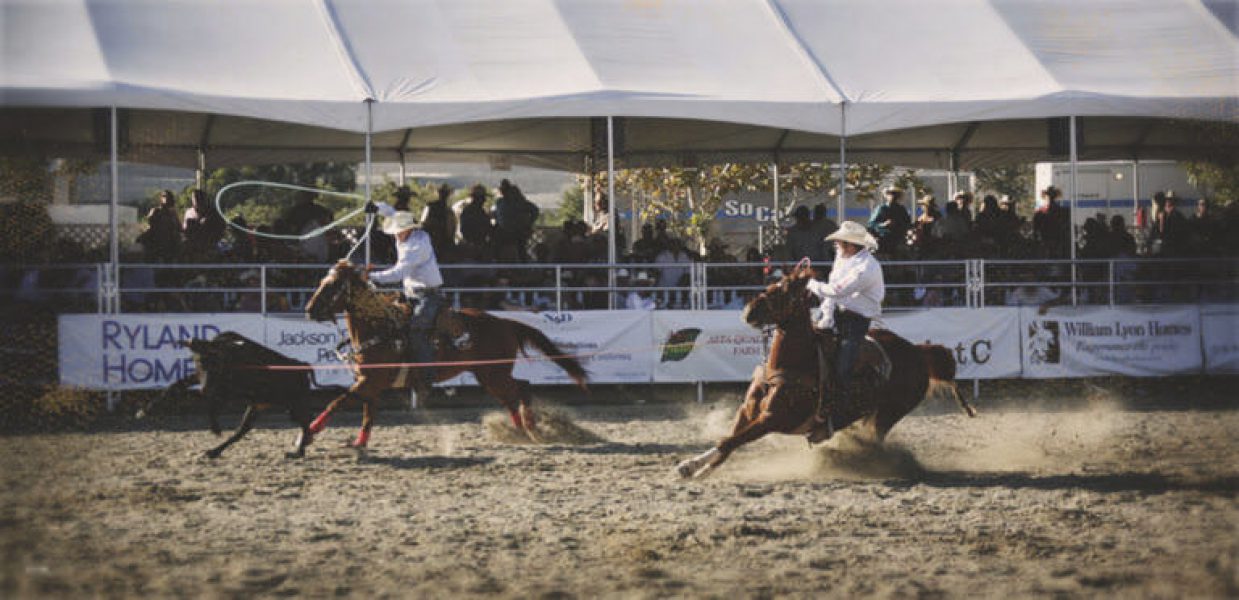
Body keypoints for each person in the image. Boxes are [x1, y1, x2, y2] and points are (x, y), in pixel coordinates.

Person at [804, 221, 885, 438]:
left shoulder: (866, 268)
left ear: (851, 245)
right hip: (837, 315)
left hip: (856, 322)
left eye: (840, 242)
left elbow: (835, 290)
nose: (837, 245)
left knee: (843, 367)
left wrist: (809, 282)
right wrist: (825, 317)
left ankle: (840, 413)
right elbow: (833, 291)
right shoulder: (843, 258)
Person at [364, 201, 450, 404]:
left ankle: (426, 377)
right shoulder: (407, 234)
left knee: (417, 329)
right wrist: (375, 207)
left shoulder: (417, 245)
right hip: (411, 293)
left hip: (428, 295)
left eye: (397, 232)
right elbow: (391, 211)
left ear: (408, 230)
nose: (395, 235)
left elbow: (399, 272)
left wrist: (371, 277)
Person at [138, 190, 182, 263]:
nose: (167, 199)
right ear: (161, 199)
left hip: (171, 247)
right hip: (157, 247)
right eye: (164, 196)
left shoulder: (173, 214)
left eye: (169, 197)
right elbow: (149, 225)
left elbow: (179, 228)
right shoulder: (156, 211)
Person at [867, 187, 911, 256]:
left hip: (898, 241)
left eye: (895, 194)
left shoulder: (901, 209)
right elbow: (871, 224)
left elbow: (908, 224)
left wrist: (898, 225)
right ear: (887, 196)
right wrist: (883, 224)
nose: (893, 196)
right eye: (890, 194)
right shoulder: (881, 208)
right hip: (882, 241)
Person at [420, 184, 457, 259]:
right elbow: (451, 230)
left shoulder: (431, 207)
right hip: (440, 244)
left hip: (434, 244)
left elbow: (422, 223)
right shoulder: (448, 211)